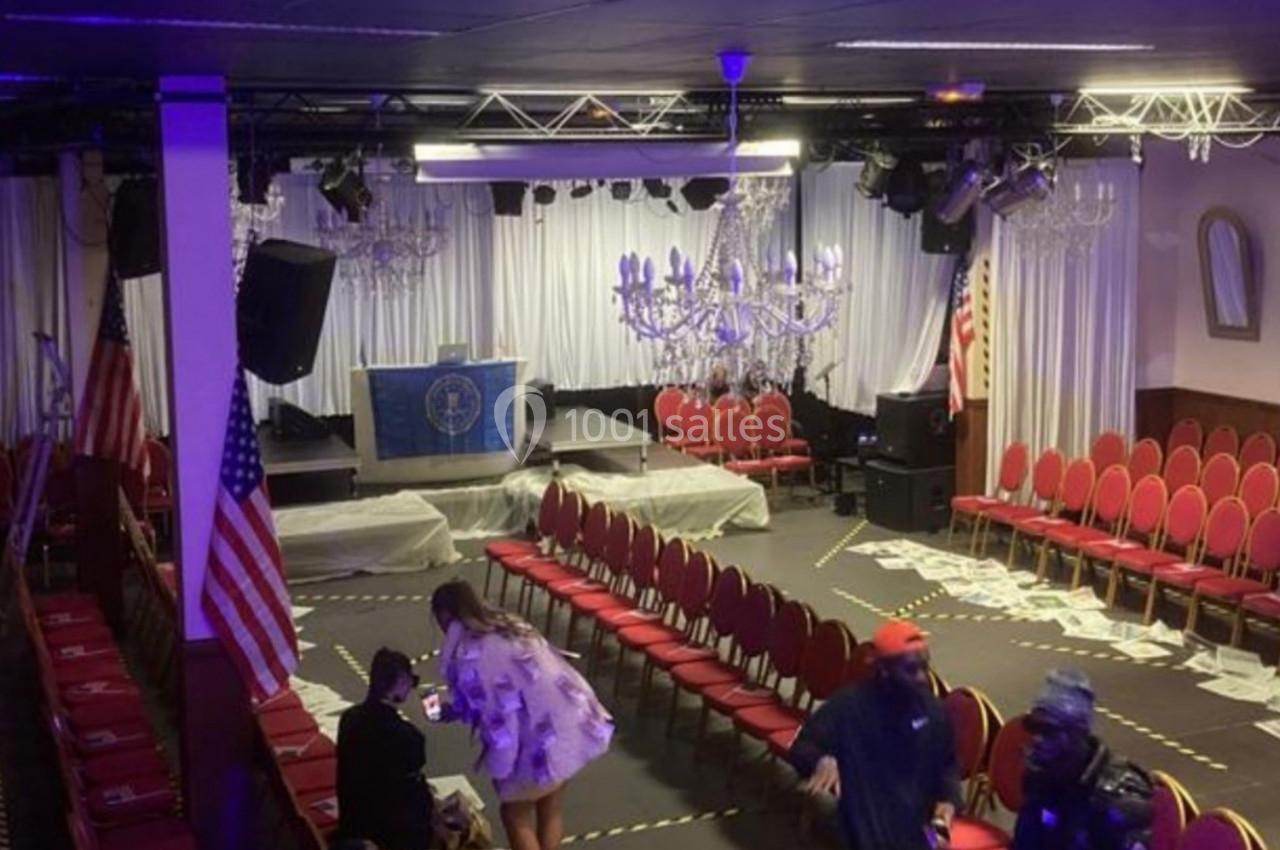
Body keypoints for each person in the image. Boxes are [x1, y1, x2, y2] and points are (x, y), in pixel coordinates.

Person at [431, 580, 613, 850]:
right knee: (551, 808)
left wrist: (501, 770)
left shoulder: (472, 654)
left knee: (514, 814)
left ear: (445, 617)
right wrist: (458, 709)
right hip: (570, 726)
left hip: (538, 739)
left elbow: (500, 719)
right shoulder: (509, 624)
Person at [789, 620, 962, 850]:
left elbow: (947, 766)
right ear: (884, 669)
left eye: (924, 667)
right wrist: (821, 760)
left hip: (917, 838)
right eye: (911, 669)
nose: (921, 677)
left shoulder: (933, 711)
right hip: (863, 835)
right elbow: (803, 747)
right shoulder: (849, 706)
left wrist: (949, 801)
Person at [1013, 670, 1154, 850]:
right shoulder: (1041, 776)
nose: (1037, 740)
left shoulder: (1120, 801)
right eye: (1034, 728)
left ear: (1078, 735)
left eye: (1049, 731)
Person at [336, 648, 434, 850]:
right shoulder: (407, 737)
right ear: (399, 684)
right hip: (392, 836)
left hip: (354, 824)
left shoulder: (349, 720)